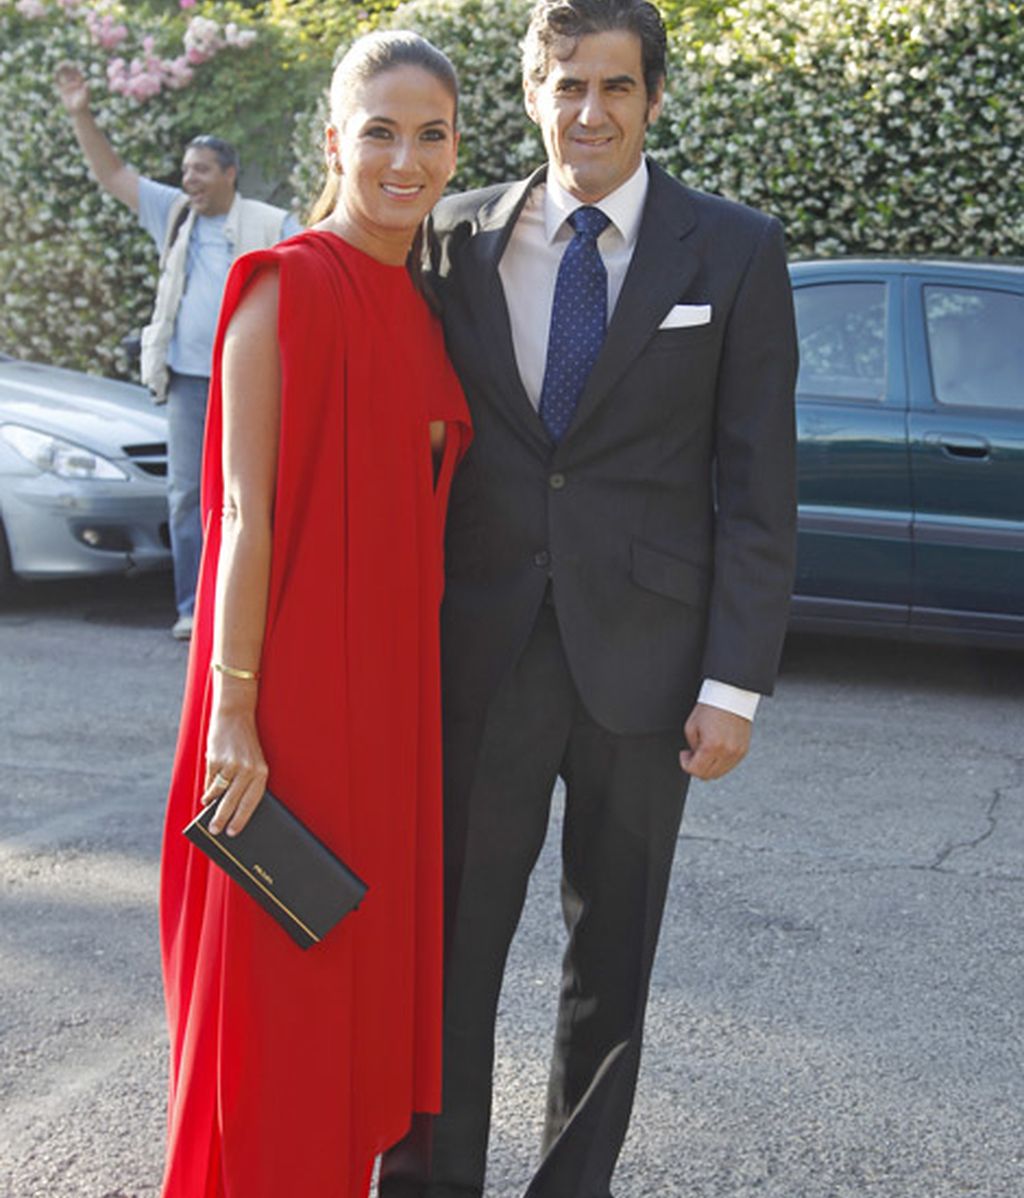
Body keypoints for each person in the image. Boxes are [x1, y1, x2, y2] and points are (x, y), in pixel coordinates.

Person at [379, 1, 798, 1195]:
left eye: (615, 86)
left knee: (610, 965)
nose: (590, 112)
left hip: (649, 670)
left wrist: (734, 685)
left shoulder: (733, 250)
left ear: (653, 97)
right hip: (480, 654)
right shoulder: (451, 238)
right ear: (530, 93)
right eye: (566, 84)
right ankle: (429, 1181)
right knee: (450, 953)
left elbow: (758, 483)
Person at [156, 32, 469, 1197]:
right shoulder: (283, 283)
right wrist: (234, 712)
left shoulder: (425, 305)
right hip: (284, 707)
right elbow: (242, 512)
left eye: (430, 134)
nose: (405, 159)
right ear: (334, 140)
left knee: (350, 993)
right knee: (278, 995)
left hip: (392, 711)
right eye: (379, 131)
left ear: (456, 149)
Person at [55, 65, 300, 640]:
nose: (190, 179)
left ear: (230, 174)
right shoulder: (174, 213)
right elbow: (112, 173)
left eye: (202, 170)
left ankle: (257, 606)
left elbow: (312, 275)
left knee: (254, 492)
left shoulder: (273, 223)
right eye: (186, 170)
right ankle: (193, 607)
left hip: (252, 382)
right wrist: (80, 113)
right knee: (187, 496)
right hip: (189, 383)